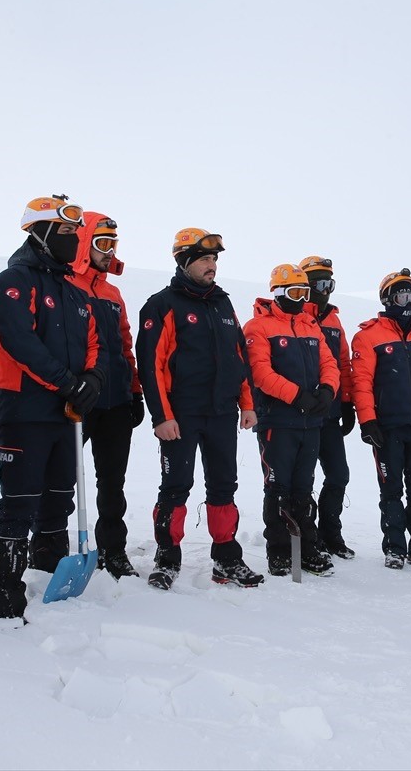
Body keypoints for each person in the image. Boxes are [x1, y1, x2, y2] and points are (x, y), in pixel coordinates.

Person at [0, 195, 105, 620]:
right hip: (25, 411)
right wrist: (68, 383)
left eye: (76, 232)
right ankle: (6, 594)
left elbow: (94, 342)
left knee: (59, 499)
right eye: (66, 232)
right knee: (19, 503)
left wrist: (92, 380)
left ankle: (50, 571)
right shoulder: (12, 282)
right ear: (41, 232)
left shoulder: (74, 292)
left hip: (66, 415)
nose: (73, 239)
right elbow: (18, 341)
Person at [136, 228, 264, 590]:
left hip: (222, 413)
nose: (213, 265)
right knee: (176, 486)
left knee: (224, 486)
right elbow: (151, 365)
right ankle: (167, 559)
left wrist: (247, 404)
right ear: (185, 262)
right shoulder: (162, 304)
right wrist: (161, 416)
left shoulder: (223, 304)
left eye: (214, 259)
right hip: (181, 415)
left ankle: (227, 559)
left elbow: (239, 358)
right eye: (205, 259)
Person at [243, 263, 340, 577]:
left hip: (310, 423)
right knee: (277, 487)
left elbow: (329, 363)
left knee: (303, 488)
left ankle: (306, 548)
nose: (301, 300)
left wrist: (327, 390)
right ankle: (279, 550)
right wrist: (297, 396)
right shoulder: (258, 327)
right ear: (279, 293)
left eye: (304, 293)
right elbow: (260, 373)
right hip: (278, 421)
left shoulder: (310, 325)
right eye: (295, 293)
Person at [351, 268, 411, 571]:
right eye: (401, 296)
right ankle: (395, 548)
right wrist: (367, 421)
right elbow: (362, 382)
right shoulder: (368, 336)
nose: (408, 302)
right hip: (387, 427)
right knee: (391, 490)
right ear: (387, 299)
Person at [70, 211, 145, 579]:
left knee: (113, 482)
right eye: (102, 243)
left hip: (115, 401)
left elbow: (124, 344)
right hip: (79, 399)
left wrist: (135, 391)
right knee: (62, 478)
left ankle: (113, 550)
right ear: (84, 243)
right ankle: (48, 547)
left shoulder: (113, 293)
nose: (109, 251)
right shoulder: (66, 284)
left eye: (113, 243)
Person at [299, 255, 356, 559]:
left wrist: (347, 403)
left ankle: (331, 533)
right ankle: (308, 536)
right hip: (302, 414)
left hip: (330, 413)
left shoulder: (334, 320)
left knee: (338, 475)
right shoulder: (295, 314)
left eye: (329, 284)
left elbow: (343, 363)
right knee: (303, 479)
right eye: (320, 283)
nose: (325, 290)